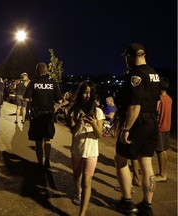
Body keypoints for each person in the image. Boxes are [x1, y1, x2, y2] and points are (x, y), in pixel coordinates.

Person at [114, 43, 160, 215]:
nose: (126, 61)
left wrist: (126, 129)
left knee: (120, 160)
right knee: (146, 163)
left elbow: (135, 105)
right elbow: (157, 101)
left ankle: (127, 201)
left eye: (126, 58)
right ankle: (147, 206)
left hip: (137, 122)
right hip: (151, 122)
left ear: (130, 56)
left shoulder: (136, 75)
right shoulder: (154, 73)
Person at [68, 81, 104, 216]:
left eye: (90, 92)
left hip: (91, 152)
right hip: (77, 149)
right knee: (76, 176)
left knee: (86, 181)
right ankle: (78, 192)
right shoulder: (74, 110)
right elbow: (73, 131)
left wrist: (94, 123)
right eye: (85, 92)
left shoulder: (98, 111)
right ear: (80, 93)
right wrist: (79, 122)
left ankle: (82, 213)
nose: (87, 95)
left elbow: (99, 134)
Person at [24, 62, 63, 169]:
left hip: (36, 115)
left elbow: (26, 99)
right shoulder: (53, 83)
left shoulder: (33, 83)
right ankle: (47, 160)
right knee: (47, 139)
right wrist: (55, 107)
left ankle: (40, 163)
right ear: (46, 71)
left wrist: (34, 99)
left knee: (38, 141)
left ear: (37, 71)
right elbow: (60, 100)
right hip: (48, 115)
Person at [155, 77, 172, 183]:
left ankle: (162, 174)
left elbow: (157, 113)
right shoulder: (169, 99)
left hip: (160, 127)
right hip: (167, 127)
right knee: (164, 150)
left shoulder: (159, 99)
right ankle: (163, 172)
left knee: (160, 151)